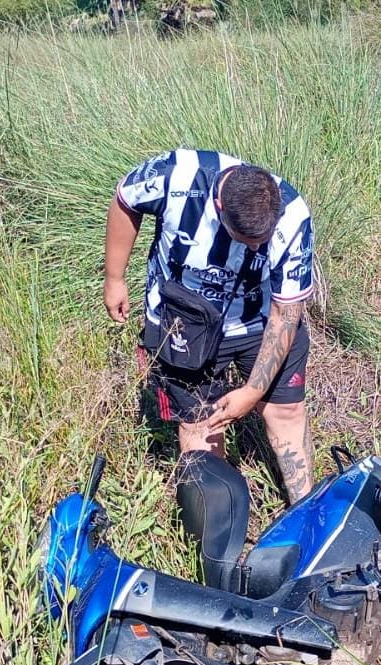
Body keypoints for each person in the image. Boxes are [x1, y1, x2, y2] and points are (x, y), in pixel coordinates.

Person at [103, 148, 315, 503]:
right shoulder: (176, 174)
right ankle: (215, 526)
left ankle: (308, 515)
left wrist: (252, 392)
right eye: (247, 243)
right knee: (201, 421)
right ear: (220, 210)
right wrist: (114, 277)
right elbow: (126, 198)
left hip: (257, 319)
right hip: (182, 319)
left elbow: (286, 313)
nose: (257, 250)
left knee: (286, 410)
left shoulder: (292, 216)